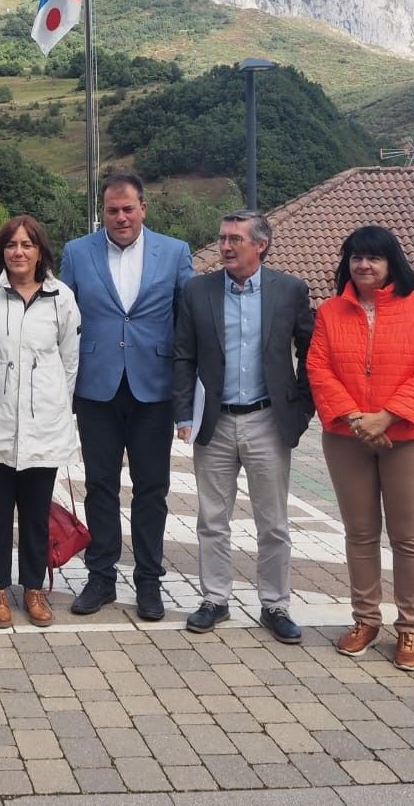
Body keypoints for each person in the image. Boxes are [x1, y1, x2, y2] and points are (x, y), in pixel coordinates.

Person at [307, 225, 414, 672]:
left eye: (373, 258)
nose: (363, 265)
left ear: (392, 263)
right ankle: (366, 620)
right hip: (348, 439)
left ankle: (410, 627)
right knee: (360, 533)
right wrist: (355, 419)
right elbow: (318, 367)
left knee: (408, 537)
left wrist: (386, 416)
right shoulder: (330, 312)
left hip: (408, 437)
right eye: (355, 257)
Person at [173, 211, 315, 643]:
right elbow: (183, 356)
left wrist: (302, 408)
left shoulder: (289, 291)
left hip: (268, 420)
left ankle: (275, 605)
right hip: (213, 423)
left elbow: (313, 350)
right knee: (212, 519)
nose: (227, 246)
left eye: (236, 238)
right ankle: (214, 599)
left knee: (272, 522)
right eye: (222, 238)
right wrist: (183, 414)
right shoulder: (198, 291)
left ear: (261, 244)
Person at [58, 172, 194, 621]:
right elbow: (63, 318)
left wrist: (186, 395)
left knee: (152, 489)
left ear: (143, 208)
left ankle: (149, 582)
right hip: (96, 388)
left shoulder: (174, 253)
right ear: (102, 212)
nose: (120, 217)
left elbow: (188, 322)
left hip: (152, 388)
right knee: (100, 486)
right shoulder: (78, 252)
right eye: (112, 210)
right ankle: (101, 578)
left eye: (128, 209)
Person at [0, 215, 80, 629]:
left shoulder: (60, 296)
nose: (19, 252)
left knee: (34, 511)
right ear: (2, 251)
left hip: (42, 424)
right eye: (11, 245)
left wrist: (53, 403)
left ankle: (33, 588)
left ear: (40, 250)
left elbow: (69, 361)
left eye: (27, 245)